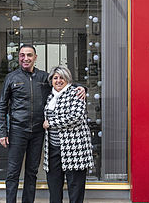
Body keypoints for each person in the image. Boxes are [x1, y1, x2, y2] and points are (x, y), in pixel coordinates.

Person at [0, 44, 86, 203]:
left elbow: (64, 83)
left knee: (32, 172)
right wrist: (3, 132)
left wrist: (82, 87)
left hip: (38, 132)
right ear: (19, 57)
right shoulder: (11, 78)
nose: (26, 58)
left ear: (35, 58)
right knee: (13, 172)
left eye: (29, 55)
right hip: (17, 131)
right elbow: (2, 106)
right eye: (22, 55)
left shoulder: (44, 77)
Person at [43, 65, 94, 203]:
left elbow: (75, 117)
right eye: (55, 78)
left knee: (75, 187)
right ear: (51, 80)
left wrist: (51, 123)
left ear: (68, 80)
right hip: (53, 149)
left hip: (74, 149)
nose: (58, 81)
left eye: (62, 78)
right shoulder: (50, 96)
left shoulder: (76, 93)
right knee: (54, 186)